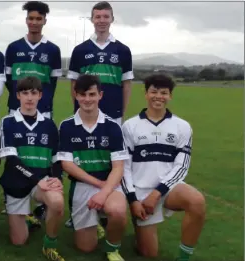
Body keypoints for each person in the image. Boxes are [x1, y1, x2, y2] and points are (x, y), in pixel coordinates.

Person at [121, 74, 204, 261]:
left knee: (197, 201)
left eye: (164, 93)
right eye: (154, 91)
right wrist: (133, 199)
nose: (158, 96)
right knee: (149, 253)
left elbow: (181, 166)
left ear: (170, 96)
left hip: (168, 189)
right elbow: (124, 167)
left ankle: (183, 258)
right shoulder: (130, 126)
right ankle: (139, 230)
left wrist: (157, 192)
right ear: (146, 94)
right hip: (141, 191)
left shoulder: (182, 126)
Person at [57, 74, 129, 261]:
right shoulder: (66, 126)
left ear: (100, 95)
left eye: (91, 94)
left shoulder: (113, 127)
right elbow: (67, 164)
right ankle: (93, 221)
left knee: (118, 211)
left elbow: (119, 167)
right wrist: (97, 184)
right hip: (83, 184)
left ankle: (112, 248)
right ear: (76, 95)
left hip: (109, 184)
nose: (87, 99)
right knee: (85, 248)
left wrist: (103, 192)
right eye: (82, 94)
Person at [4, 0, 63, 225]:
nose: (35, 22)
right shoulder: (13, 48)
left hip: (43, 111)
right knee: (15, 154)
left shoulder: (53, 50)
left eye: (39, 19)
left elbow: (53, 84)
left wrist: (41, 103)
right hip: (16, 108)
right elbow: (10, 81)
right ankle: (13, 196)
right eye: (31, 18)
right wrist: (20, 100)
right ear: (26, 20)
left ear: (45, 21)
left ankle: (40, 205)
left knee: (41, 155)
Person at [0, 76, 65, 261]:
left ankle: (49, 245)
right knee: (19, 241)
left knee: (57, 202)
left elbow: (56, 159)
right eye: (25, 93)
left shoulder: (50, 125)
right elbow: (11, 160)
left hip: (40, 184)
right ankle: (27, 216)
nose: (29, 97)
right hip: (17, 183)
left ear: (40, 95)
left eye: (33, 93)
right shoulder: (8, 122)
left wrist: (57, 178)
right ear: (17, 96)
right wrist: (37, 179)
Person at [67, 1, 133, 125]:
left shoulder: (123, 50)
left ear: (112, 19)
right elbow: (74, 84)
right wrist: (77, 107)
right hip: (85, 113)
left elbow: (127, 85)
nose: (102, 20)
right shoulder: (80, 50)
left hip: (113, 113)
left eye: (106, 16)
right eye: (98, 17)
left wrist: (122, 112)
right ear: (92, 19)